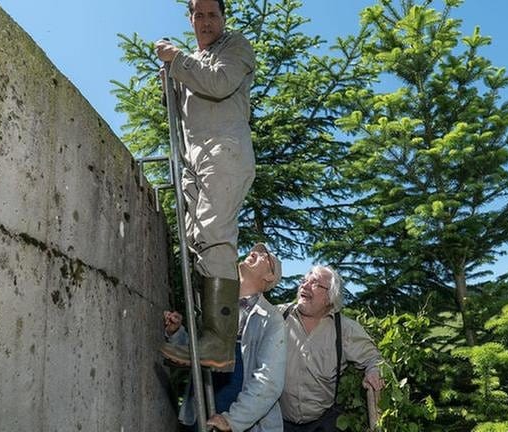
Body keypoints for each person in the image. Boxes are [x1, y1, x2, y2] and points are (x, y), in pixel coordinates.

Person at [155, 0, 256, 372]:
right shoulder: (191, 64)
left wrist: (177, 60)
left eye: (213, 14)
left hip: (223, 154)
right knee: (200, 242)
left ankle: (219, 341)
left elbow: (218, 84)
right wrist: (170, 79)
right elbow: (180, 112)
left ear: (223, 18)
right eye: (199, 14)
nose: (206, 21)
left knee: (215, 234)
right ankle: (208, 334)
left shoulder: (235, 47)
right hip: (195, 163)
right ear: (191, 19)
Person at [165, 243, 286, 431]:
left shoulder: (272, 319)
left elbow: (269, 381)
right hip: (201, 406)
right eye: (254, 249)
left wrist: (233, 421)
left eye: (264, 255)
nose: (254, 252)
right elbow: (199, 352)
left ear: (269, 276)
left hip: (239, 415)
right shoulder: (215, 304)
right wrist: (176, 333)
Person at [279, 265, 384, 432]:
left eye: (315, 283)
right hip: (276, 421)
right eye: (304, 281)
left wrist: (373, 371)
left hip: (322, 423)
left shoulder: (345, 329)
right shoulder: (278, 317)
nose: (304, 286)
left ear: (329, 297)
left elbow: (374, 359)